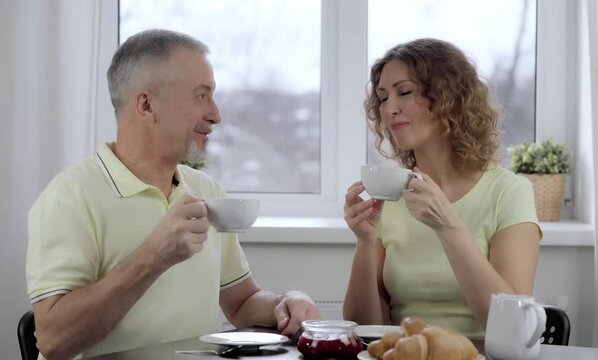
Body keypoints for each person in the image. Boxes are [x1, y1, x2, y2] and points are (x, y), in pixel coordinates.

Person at [26, 29, 320, 360]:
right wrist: (154, 256)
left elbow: (241, 302)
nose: (216, 115)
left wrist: (284, 302)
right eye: (201, 95)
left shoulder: (206, 191)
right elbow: (53, 340)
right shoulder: (69, 197)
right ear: (147, 104)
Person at [342, 38, 541, 340]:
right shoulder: (390, 196)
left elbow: (513, 328)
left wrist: (449, 227)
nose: (389, 109)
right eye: (383, 98)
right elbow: (364, 328)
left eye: (404, 92)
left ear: (450, 98)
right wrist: (365, 242)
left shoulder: (509, 192)